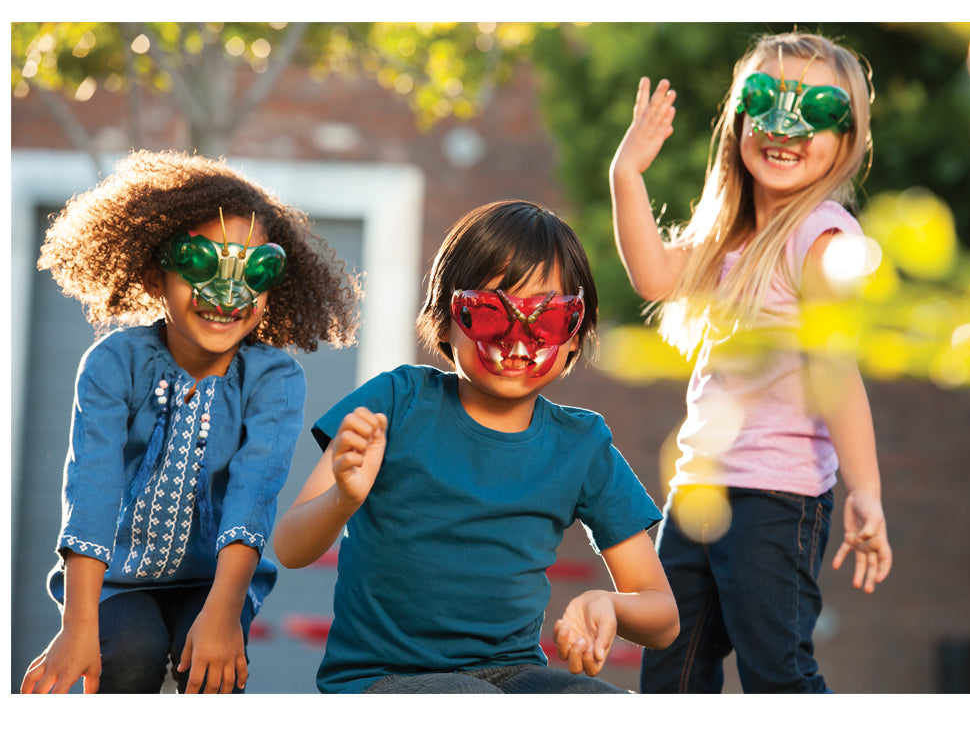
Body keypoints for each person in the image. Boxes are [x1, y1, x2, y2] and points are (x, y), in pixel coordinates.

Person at [272, 200, 679, 693]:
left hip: (511, 675)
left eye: (546, 318)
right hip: (380, 681)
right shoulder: (395, 401)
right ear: (445, 320)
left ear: (574, 335)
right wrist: (343, 498)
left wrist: (610, 604)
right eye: (488, 312)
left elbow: (662, 616)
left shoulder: (583, 445)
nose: (517, 338)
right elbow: (290, 546)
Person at [609, 31, 892, 693]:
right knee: (671, 674)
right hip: (698, 493)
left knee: (776, 674)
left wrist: (867, 491)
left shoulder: (821, 238)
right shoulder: (728, 236)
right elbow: (652, 278)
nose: (783, 126)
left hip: (778, 497)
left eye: (816, 110)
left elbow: (838, 373)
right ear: (738, 118)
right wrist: (628, 173)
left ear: (846, 140)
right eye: (764, 100)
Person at [20, 149, 360, 694]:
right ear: (157, 273)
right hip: (115, 582)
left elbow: (253, 493)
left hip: (217, 581)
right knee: (129, 653)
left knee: (210, 668)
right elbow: (93, 491)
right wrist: (76, 626)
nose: (227, 295)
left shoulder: (274, 378)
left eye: (256, 270)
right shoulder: (114, 363)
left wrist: (225, 616)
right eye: (200, 264)